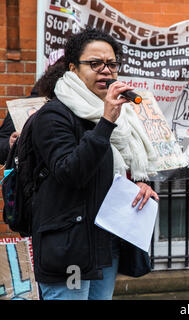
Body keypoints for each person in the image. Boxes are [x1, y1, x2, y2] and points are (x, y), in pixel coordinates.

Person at [31, 28, 159, 300]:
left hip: (105, 242)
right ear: (73, 68)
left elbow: (121, 165)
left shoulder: (120, 116)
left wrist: (141, 183)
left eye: (112, 64)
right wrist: (106, 123)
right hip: (70, 248)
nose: (106, 71)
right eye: (95, 64)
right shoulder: (54, 115)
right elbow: (70, 172)